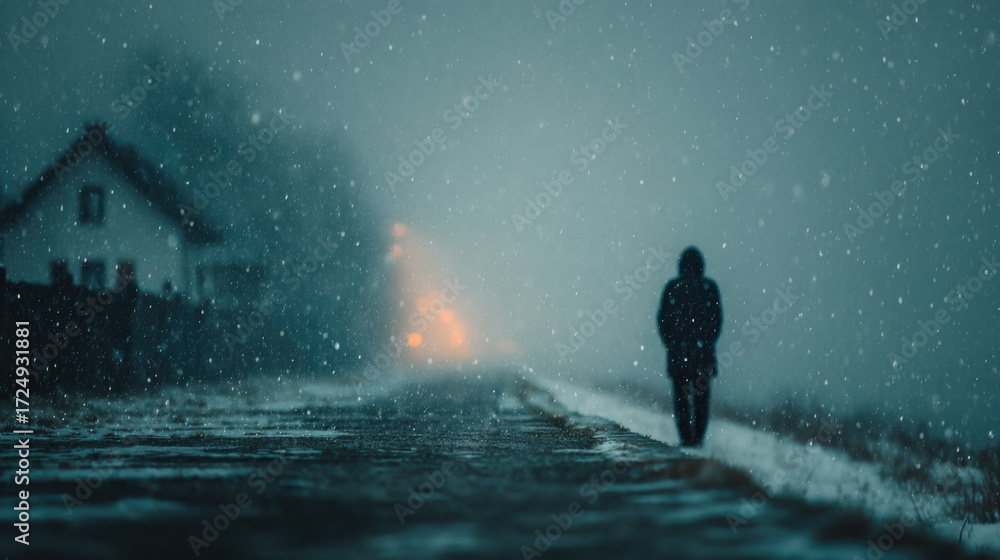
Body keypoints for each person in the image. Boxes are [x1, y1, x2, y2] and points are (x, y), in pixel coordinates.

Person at [657, 247, 722, 447]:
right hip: (702, 355)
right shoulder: (709, 288)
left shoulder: (673, 287)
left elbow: (662, 320)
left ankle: (686, 440)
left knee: (682, 401)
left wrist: (672, 345)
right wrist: (706, 343)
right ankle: (697, 441)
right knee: (701, 401)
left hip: (680, 356)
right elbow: (717, 321)